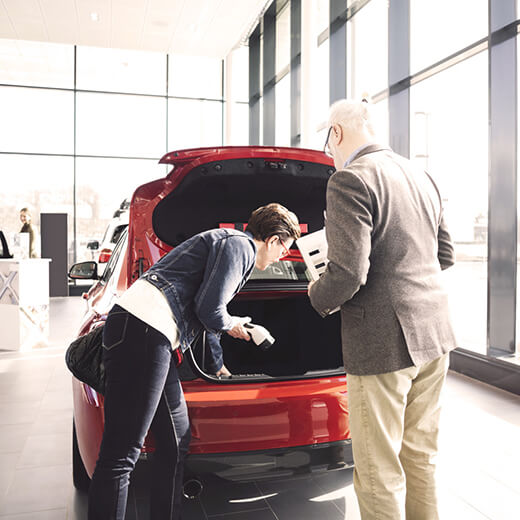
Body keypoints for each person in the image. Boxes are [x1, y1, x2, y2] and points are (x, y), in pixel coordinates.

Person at [88, 202, 301, 520]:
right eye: (286, 247)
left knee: (176, 438)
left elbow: (206, 307)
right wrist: (233, 325)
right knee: (122, 453)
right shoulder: (239, 246)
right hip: (143, 330)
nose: (284, 254)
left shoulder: (229, 243)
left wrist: (216, 362)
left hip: (149, 334)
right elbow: (212, 311)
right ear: (273, 240)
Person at [308, 99, 457, 520]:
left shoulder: (350, 179)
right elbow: (444, 254)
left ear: (336, 133)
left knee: (378, 470)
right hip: (435, 336)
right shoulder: (420, 174)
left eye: (327, 141)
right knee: (420, 456)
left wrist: (314, 293)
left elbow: (349, 275)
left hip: (383, 346)